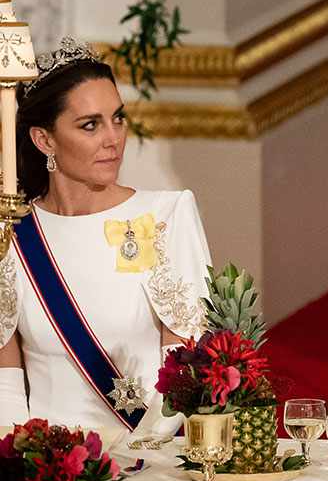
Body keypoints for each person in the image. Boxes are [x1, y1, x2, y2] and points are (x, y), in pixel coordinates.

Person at [0, 40, 212, 440]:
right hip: (48, 474)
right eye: (90, 125)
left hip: (146, 461)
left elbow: (185, 367)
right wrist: (21, 466)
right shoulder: (12, 233)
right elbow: (6, 380)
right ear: (45, 141)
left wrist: (137, 454)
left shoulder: (166, 216)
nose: (113, 139)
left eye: (118, 118)